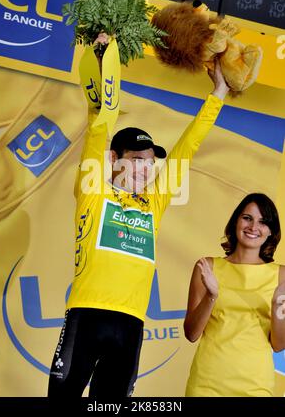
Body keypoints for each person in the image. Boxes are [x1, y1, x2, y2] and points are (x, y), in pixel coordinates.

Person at [47, 42, 229, 397]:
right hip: (87, 316)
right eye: (137, 160)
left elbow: (186, 149)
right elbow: (97, 131)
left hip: (131, 326)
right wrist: (101, 67)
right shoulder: (93, 190)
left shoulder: (154, 201)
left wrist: (218, 94)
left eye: (150, 162)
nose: (146, 169)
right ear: (115, 158)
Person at [184, 193, 285, 397]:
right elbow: (191, 333)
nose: (253, 227)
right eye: (247, 218)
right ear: (236, 221)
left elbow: (279, 345)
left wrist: (276, 308)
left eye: (263, 222)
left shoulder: (281, 275)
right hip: (207, 383)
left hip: (256, 385)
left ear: (271, 232)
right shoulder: (207, 267)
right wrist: (211, 296)